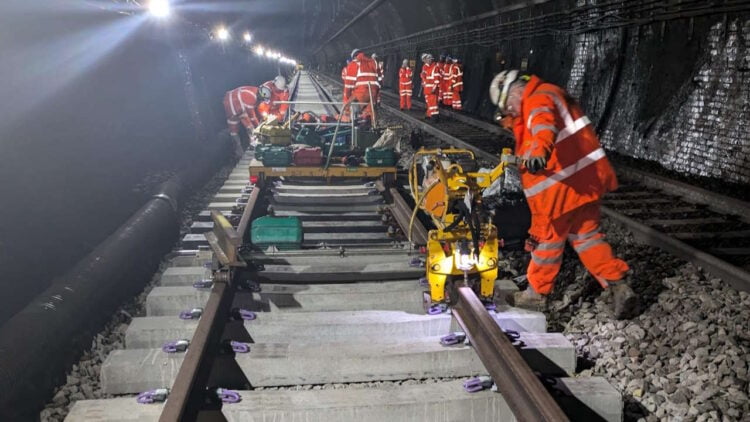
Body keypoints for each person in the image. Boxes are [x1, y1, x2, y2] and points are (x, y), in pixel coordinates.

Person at [488, 70, 637, 319]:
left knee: (546, 240)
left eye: (508, 105)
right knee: (587, 238)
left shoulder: (537, 98)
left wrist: (538, 150)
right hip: (583, 184)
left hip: (559, 188)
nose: (511, 111)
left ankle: (535, 294)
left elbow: (543, 124)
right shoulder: (552, 93)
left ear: (514, 90)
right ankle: (618, 283)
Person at [223, 85, 270, 157]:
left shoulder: (256, 92)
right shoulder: (250, 98)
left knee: (250, 127)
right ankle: (238, 152)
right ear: (260, 96)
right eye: (262, 99)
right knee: (234, 130)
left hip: (240, 106)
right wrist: (259, 127)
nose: (262, 101)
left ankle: (254, 145)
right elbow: (252, 117)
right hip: (231, 107)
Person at [344, 49, 380, 123]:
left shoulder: (354, 63)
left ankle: (351, 125)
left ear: (354, 57)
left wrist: (347, 99)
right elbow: (379, 80)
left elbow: (348, 86)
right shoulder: (373, 62)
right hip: (373, 92)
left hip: (361, 92)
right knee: (371, 112)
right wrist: (378, 97)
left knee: (348, 107)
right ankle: (372, 127)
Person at [421, 53, 440, 121]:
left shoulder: (435, 67)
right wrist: (423, 81)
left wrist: (434, 88)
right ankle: (429, 114)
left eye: (429, 59)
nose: (428, 60)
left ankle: (435, 117)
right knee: (429, 102)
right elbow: (424, 77)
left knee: (433, 103)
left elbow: (437, 79)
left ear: (431, 59)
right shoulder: (425, 67)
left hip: (432, 89)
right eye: (427, 59)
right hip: (427, 89)